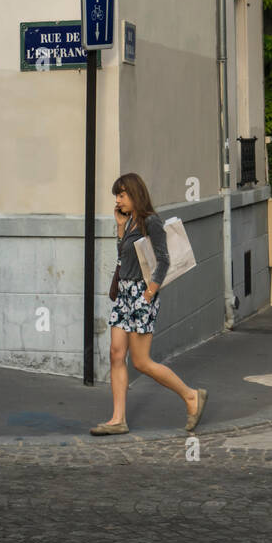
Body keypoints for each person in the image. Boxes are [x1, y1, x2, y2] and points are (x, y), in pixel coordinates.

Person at [90, 172, 206, 435]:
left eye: (121, 195)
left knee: (141, 362)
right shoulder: (129, 221)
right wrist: (120, 229)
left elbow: (163, 260)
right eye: (116, 196)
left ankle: (191, 397)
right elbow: (124, 259)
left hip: (142, 294)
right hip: (123, 294)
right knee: (116, 354)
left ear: (135, 194)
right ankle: (118, 419)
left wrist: (149, 294)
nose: (117, 201)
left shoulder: (151, 222)